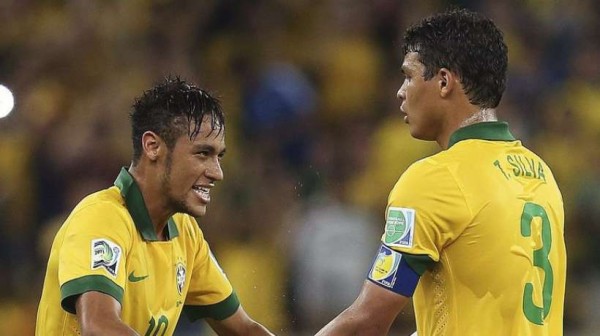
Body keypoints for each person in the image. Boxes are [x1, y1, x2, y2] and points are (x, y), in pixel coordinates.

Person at [316, 8, 566, 336]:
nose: (400, 91)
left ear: (444, 81)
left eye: (409, 75)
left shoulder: (435, 179)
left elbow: (368, 323)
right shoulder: (540, 174)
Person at [35, 77, 274, 335]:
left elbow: (245, 330)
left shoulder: (186, 234)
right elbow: (98, 326)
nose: (217, 173)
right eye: (203, 154)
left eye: (219, 156)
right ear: (153, 146)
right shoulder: (101, 218)